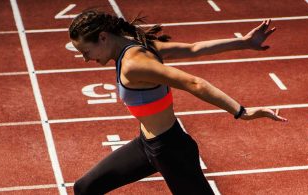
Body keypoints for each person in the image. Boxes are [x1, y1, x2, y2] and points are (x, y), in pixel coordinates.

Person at [69, 10, 288, 195]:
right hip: (146, 145)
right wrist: (244, 42)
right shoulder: (140, 46)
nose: (86, 59)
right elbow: (194, 48)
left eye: (86, 51)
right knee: (85, 188)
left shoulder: (133, 65)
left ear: (104, 37)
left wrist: (241, 111)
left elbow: (194, 83)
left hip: (172, 152)